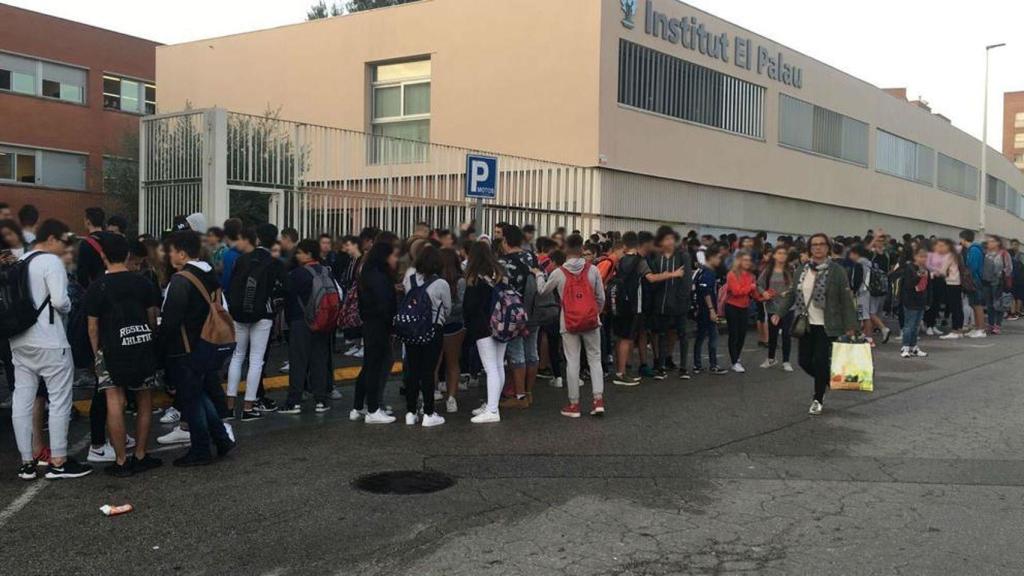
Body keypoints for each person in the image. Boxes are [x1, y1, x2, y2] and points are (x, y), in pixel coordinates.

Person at [11, 219, 94, 480]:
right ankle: (58, 460)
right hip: (49, 340)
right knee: (59, 399)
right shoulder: (50, 262)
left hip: (19, 340)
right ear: (50, 239)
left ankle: (26, 462)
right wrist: (67, 305)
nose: (64, 246)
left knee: (22, 400)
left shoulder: (21, 261)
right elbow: (60, 301)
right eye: (62, 240)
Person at [84, 234, 163, 476]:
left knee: (114, 403)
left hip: (110, 349)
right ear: (128, 255)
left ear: (102, 256)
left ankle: (120, 461)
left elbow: (93, 326)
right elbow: (152, 317)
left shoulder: (97, 287)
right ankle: (140, 454)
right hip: (141, 345)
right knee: (144, 400)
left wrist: (96, 352)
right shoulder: (143, 283)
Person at [160, 231, 235, 466]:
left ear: (182, 253)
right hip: (206, 344)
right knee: (200, 395)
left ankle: (201, 449)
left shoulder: (182, 279)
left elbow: (171, 319)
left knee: (192, 400)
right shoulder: (209, 273)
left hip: (185, 348)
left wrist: (160, 347)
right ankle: (221, 438)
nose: (169, 255)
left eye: (172, 251)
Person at [774, 233, 858, 416]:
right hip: (806, 323)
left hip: (827, 325)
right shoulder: (802, 270)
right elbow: (791, 294)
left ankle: (817, 398)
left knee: (820, 361)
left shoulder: (837, 271)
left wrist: (852, 325)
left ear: (828, 247)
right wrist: (779, 313)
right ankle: (827, 380)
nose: (818, 248)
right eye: (814, 245)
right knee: (804, 361)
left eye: (821, 244)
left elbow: (846, 298)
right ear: (809, 249)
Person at [535, 234, 606, 418]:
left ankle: (574, 404)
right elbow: (601, 297)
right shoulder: (593, 270)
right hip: (591, 321)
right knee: (595, 359)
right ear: (582, 248)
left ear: (566, 250)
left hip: (568, 322)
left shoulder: (559, 273)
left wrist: (539, 275)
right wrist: (593, 313)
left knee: (572, 361)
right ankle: (598, 400)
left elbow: (542, 291)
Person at [226, 225, 286, 420]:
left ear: (257, 240)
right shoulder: (273, 262)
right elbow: (283, 288)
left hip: (238, 314)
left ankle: (229, 406)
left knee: (237, 357)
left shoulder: (240, 260)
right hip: (262, 315)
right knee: (256, 360)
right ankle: (248, 407)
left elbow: (230, 285)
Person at [279, 239, 333, 414]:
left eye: (300, 252)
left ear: (309, 254)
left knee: (298, 361)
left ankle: (294, 401)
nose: (297, 255)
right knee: (319, 360)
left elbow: (287, 296)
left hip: (301, 321)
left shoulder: (297, 274)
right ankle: (321, 400)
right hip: (323, 321)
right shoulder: (326, 270)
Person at [400, 245, 451, 427]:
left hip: (411, 330)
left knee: (412, 371)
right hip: (432, 330)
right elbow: (447, 309)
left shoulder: (410, 279)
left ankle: (410, 412)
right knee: (428, 371)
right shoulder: (441, 284)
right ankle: (429, 413)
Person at [352, 240, 398, 424]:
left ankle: (359, 406)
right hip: (378, 324)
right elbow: (383, 303)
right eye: (393, 255)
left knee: (369, 365)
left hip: (371, 323)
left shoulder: (369, 272)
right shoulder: (378, 275)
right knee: (375, 366)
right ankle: (372, 409)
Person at [464, 240, 507, 424]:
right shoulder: (499, 272)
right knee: (498, 365)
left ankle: (492, 409)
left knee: (490, 368)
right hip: (502, 322)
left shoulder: (476, 277)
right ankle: (492, 403)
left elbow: (470, 305)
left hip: (483, 326)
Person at [496, 225, 538, 408]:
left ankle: (519, 397)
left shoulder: (503, 263)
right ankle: (529, 393)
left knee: (516, 352)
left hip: (514, 312)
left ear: (505, 241)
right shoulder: (531, 257)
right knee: (532, 351)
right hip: (534, 310)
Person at [647, 229, 693, 381]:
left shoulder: (683, 256)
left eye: (672, 239)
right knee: (662, 335)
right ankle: (661, 367)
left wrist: (683, 300)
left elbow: (687, 281)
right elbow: (652, 280)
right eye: (666, 239)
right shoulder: (656, 258)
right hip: (661, 304)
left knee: (683, 334)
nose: (669, 242)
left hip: (679, 304)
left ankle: (684, 368)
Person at [721, 250, 773, 373]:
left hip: (744, 307)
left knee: (742, 335)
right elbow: (736, 291)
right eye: (744, 260)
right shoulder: (732, 274)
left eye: (749, 260)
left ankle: (737, 358)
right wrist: (751, 287)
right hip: (732, 306)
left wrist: (764, 296)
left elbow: (754, 294)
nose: (747, 262)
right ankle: (734, 361)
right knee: (734, 334)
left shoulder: (751, 276)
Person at [437, 247, 466, 413]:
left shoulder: (434, 280)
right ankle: (452, 398)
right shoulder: (461, 281)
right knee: (453, 363)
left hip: (436, 323)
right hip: (455, 324)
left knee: (434, 362)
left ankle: (432, 392)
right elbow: (463, 305)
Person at [758, 246, 795, 371]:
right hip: (772, 307)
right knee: (773, 334)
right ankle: (771, 358)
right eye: (779, 253)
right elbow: (759, 285)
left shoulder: (791, 270)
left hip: (788, 308)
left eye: (784, 253)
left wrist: (788, 292)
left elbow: (795, 286)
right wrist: (764, 293)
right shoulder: (768, 271)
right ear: (774, 255)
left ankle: (786, 361)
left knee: (786, 334)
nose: (782, 255)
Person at [692, 248, 727, 376]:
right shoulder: (709, 273)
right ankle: (713, 365)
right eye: (717, 257)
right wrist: (712, 310)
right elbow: (706, 292)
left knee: (700, 337)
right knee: (713, 336)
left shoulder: (700, 271)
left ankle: (697, 364)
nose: (719, 260)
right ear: (711, 257)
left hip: (701, 309)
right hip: (707, 310)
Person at [899, 247, 931, 358]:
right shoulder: (910, 268)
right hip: (910, 300)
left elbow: (928, 286)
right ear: (915, 257)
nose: (923, 259)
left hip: (921, 299)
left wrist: (928, 301)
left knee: (916, 325)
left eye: (925, 257)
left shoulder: (926, 269)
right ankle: (905, 346)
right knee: (909, 325)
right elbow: (908, 285)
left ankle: (914, 347)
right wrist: (918, 276)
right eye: (921, 256)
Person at [981, 235, 1013, 335]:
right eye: (988, 241)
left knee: (998, 305)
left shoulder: (1004, 253)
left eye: (991, 241)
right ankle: (990, 324)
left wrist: (1001, 275)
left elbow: (1009, 268)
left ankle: (997, 325)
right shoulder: (985, 253)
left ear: (997, 243)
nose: (989, 243)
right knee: (989, 305)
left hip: (998, 282)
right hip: (986, 281)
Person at [960, 230, 987, 338]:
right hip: (974, 280)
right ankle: (977, 327)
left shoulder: (974, 250)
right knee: (973, 304)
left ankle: (981, 329)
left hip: (975, 280)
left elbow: (973, 267)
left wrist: (967, 274)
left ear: (963, 238)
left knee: (977, 305)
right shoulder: (972, 249)